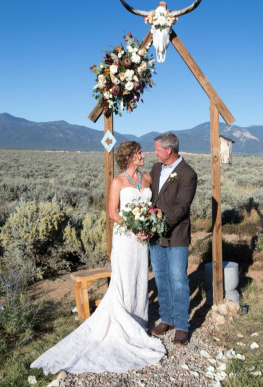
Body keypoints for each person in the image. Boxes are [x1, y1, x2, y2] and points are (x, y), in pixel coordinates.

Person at [31, 141, 165, 375]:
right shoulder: (118, 182)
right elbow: (113, 213)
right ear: (128, 158)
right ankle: (122, 324)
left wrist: (149, 226)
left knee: (139, 277)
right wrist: (134, 226)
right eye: (139, 153)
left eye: (142, 152)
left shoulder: (147, 180)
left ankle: (137, 322)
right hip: (126, 238)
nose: (143, 155)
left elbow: (151, 207)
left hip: (142, 241)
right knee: (123, 278)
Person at [148, 132, 197, 347]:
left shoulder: (188, 174)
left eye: (158, 149)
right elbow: (149, 197)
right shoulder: (156, 168)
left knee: (178, 280)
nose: (155, 152)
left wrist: (161, 224)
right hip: (154, 236)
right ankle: (166, 318)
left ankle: (181, 326)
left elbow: (182, 207)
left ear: (169, 150)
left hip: (176, 235)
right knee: (160, 276)